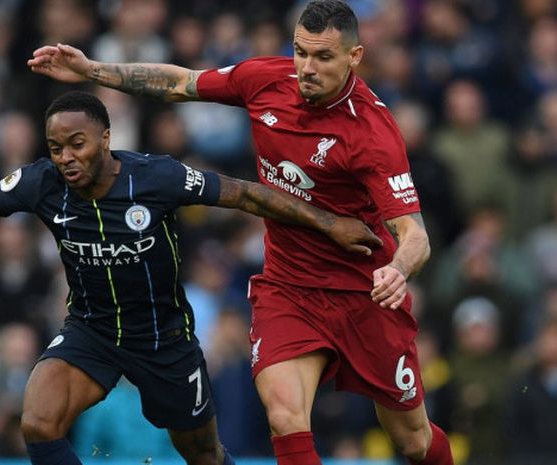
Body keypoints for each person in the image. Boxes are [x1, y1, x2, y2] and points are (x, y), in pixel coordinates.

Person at [26, 1, 454, 464]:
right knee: (285, 416)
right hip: (289, 289)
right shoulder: (266, 80)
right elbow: (180, 83)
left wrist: (397, 269)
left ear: (354, 57)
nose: (307, 68)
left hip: (365, 294)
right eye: (300, 52)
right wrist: (93, 69)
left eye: (323, 58)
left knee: (413, 441)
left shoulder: (371, 133)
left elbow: (415, 234)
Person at [0, 90, 381, 465]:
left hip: (163, 337)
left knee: (204, 455)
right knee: (37, 421)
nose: (66, 157)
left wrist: (330, 222)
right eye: (56, 147)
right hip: (91, 329)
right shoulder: (40, 182)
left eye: (77, 144)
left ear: (105, 138)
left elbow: (247, 195)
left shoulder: (156, 177)